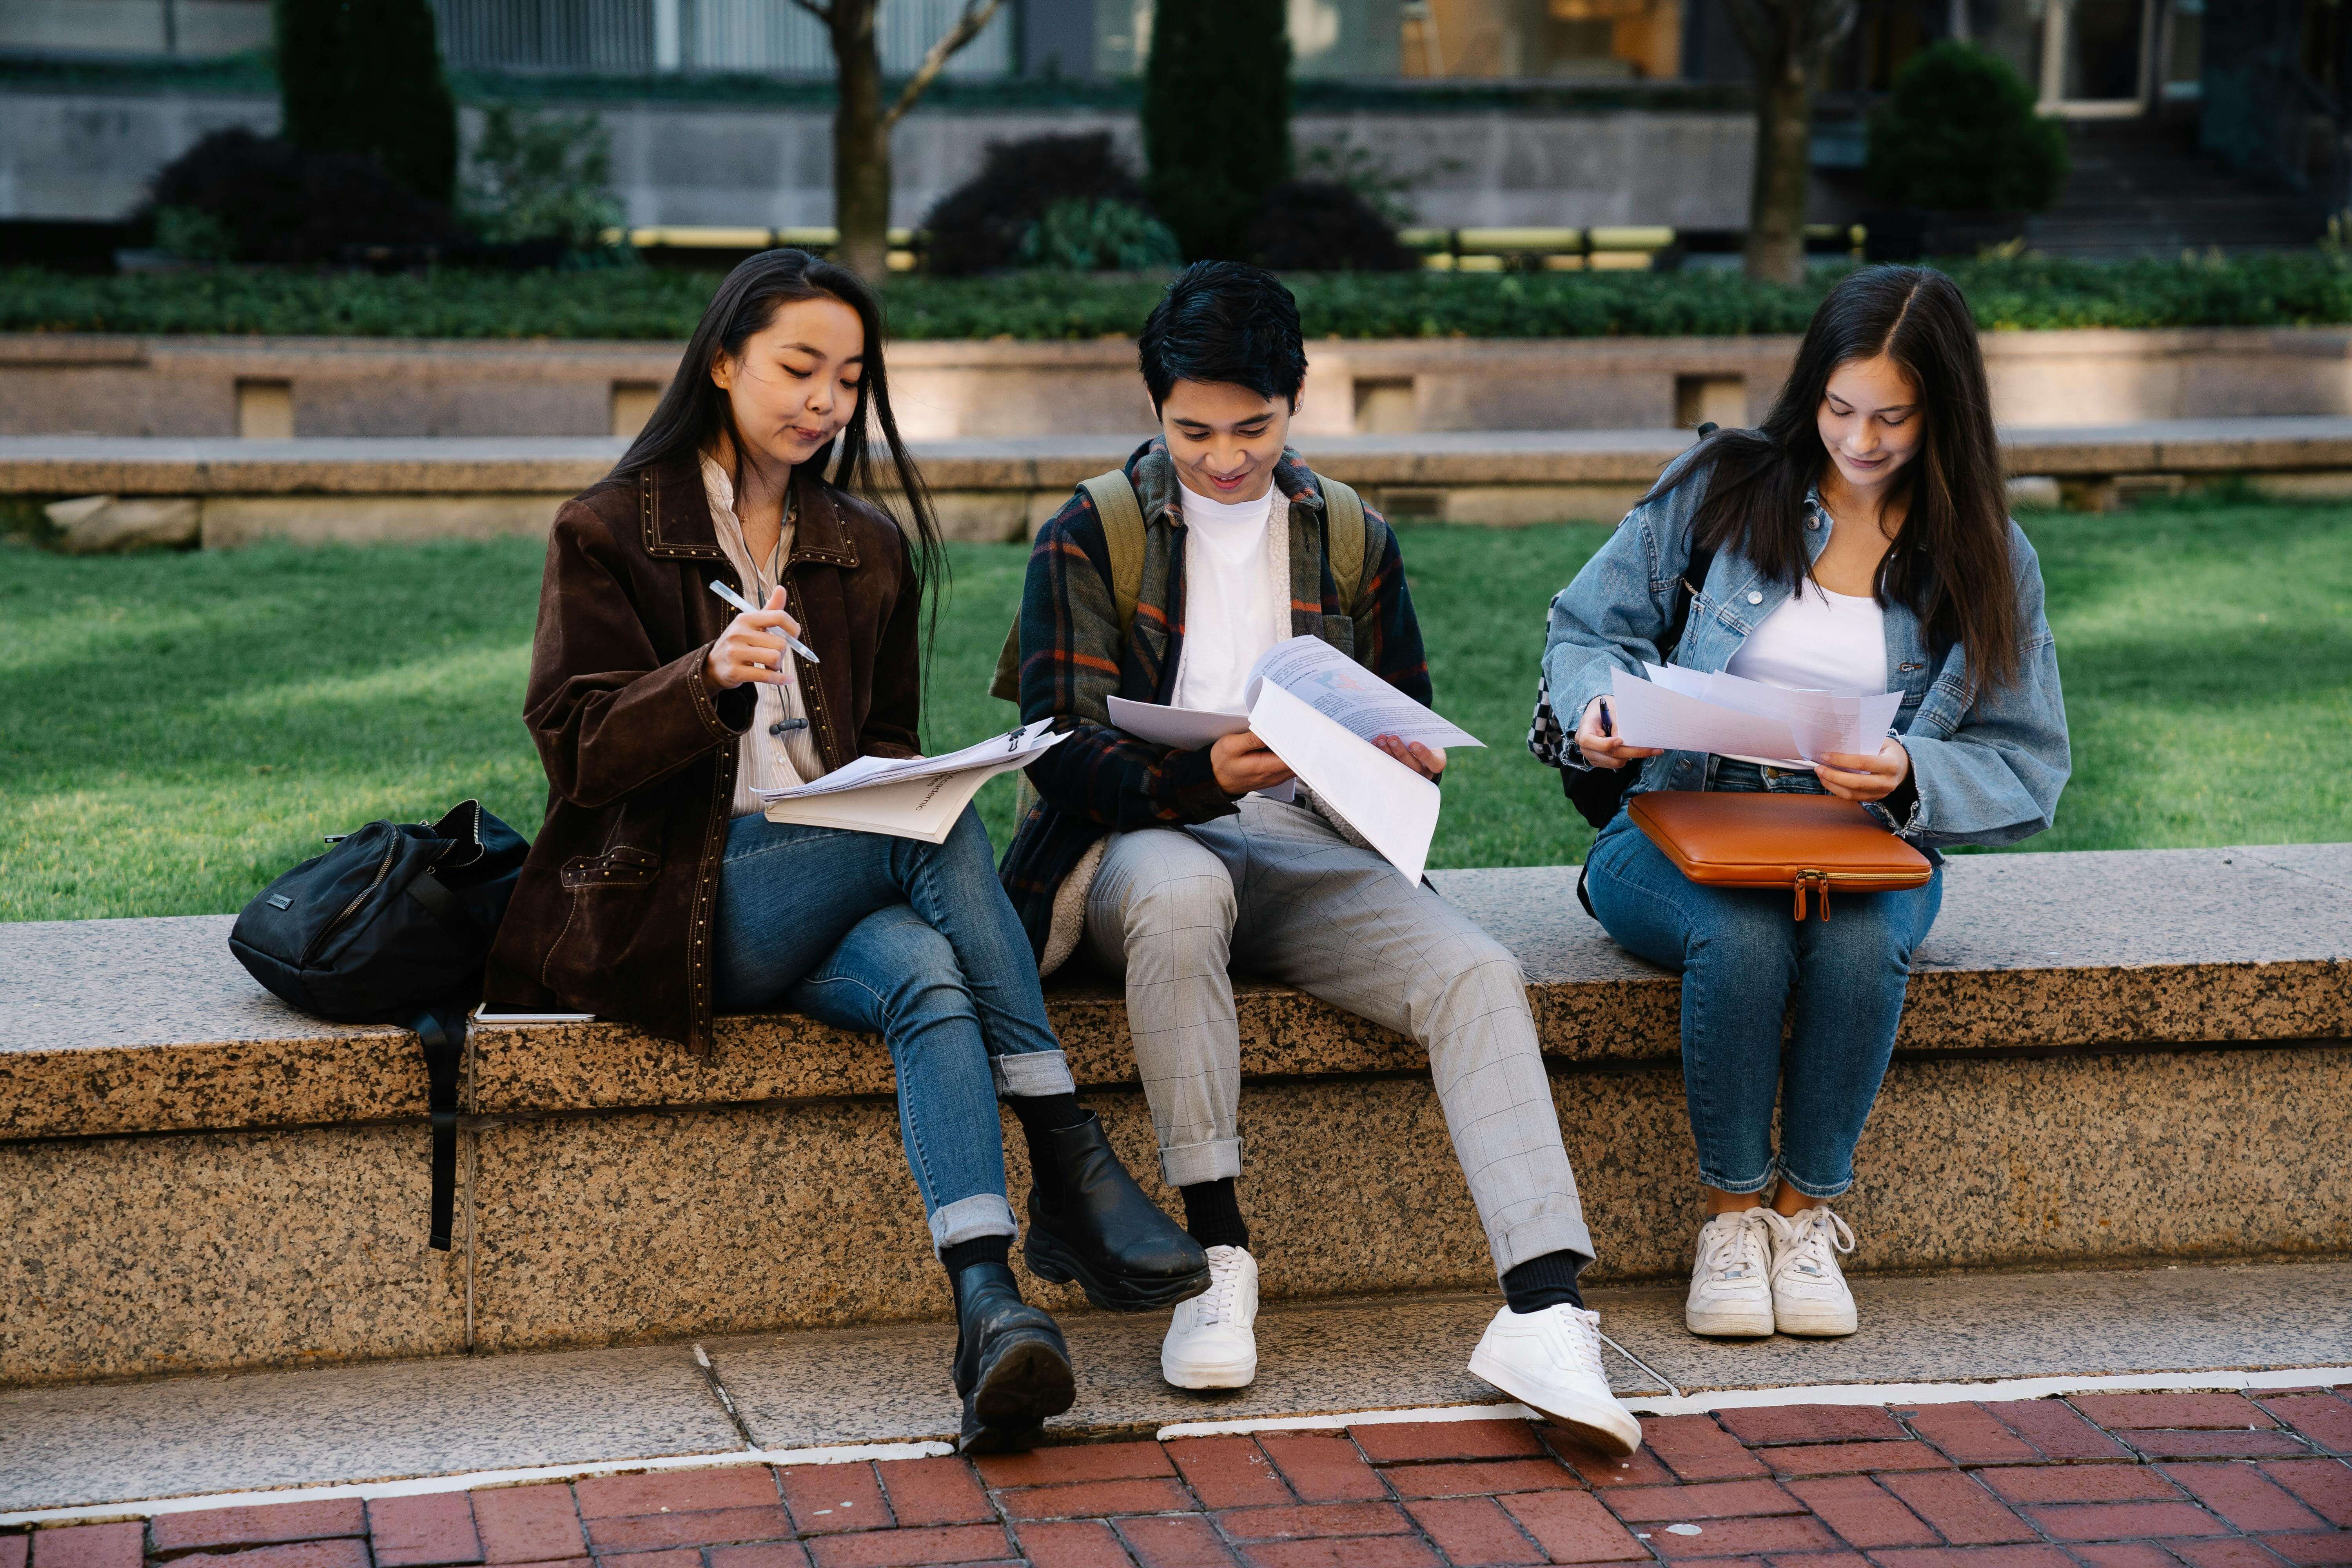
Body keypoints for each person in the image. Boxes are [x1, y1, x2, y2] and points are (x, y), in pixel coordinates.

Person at [484, 249, 1207, 1452]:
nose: (824, 400)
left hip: (828, 884)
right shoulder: (611, 530)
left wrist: (907, 781)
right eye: (798, 368)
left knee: (927, 970)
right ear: (722, 363)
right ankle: (1067, 1153)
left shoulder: (863, 547)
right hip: (679, 901)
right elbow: (577, 756)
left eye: (849, 378)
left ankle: (989, 1307)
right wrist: (703, 677)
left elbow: (886, 750)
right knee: (937, 840)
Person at [1000, 261, 1642, 1458]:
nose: (1225, 457)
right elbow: (1055, 754)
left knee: (1474, 972)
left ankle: (1546, 1310)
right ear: (1157, 409)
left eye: (1253, 428)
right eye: (1194, 430)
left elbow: (1404, 715)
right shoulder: (1092, 530)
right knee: (1187, 886)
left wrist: (1402, 763)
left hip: (1304, 841)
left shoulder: (1350, 533)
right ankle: (1215, 1259)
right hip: (1140, 844)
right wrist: (1200, 779)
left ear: (1294, 406)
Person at [1543, 265, 2070, 1341]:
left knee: (1858, 934)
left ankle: (1805, 1215)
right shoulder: (1723, 487)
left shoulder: (1987, 556)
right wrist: (1605, 709)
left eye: (1893, 417)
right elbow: (1584, 628)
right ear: (1810, 392)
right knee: (1739, 933)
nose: (1860, 440)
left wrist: (1914, 774)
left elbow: (2028, 759)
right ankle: (1731, 1218)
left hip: (1862, 846)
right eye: (1839, 409)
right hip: (1676, 828)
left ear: (1946, 414)